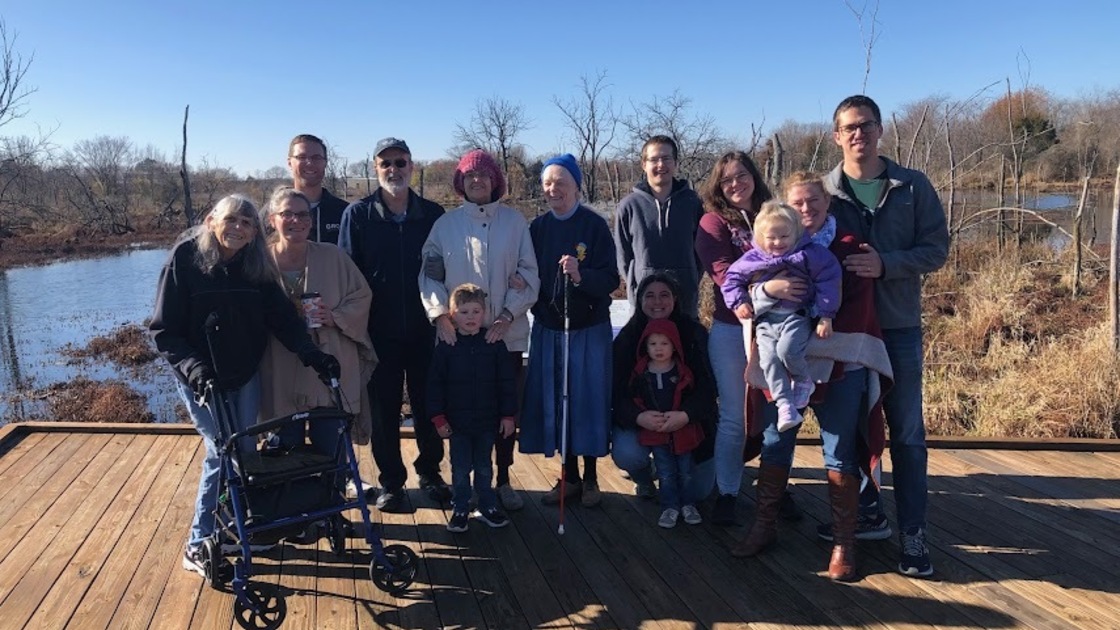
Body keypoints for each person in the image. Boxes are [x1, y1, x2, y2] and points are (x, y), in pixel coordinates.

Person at [149, 194, 339, 577]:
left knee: (247, 449)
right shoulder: (185, 261)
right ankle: (198, 542)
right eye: (231, 219)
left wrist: (311, 353)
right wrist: (195, 368)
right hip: (201, 377)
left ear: (256, 231)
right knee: (223, 451)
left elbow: (281, 318)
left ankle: (238, 524)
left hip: (244, 372)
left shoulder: (256, 265)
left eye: (247, 223)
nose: (238, 228)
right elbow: (164, 331)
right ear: (211, 220)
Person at [729, 171, 892, 582]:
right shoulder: (769, 241)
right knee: (775, 440)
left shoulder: (848, 248)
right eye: (797, 203)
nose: (806, 209)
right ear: (786, 205)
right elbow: (740, 289)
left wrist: (803, 338)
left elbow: (855, 310)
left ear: (827, 203)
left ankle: (844, 542)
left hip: (837, 364)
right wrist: (768, 293)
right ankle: (765, 525)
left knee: (838, 450)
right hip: (781, 364)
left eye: (813, 202)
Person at [822, 95, 949, 578]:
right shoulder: (825, 193)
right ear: (836, 135)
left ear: (880, 131)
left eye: (866, 125)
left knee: (908, 434)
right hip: (848, 333)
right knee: (854, 428)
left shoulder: (912, 187)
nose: (859, 134)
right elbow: (792, 241)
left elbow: (937, 249)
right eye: (849, 127)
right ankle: (868, 515)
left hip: (897, 328)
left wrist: (886, 265)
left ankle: (913, 533)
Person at [418, 148, 539, 511]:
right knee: (460, 409)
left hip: (504, 335)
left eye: (484, 175)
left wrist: (506, 316)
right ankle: (464, 483)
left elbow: (530, 274)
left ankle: (502, 479)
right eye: (470, 175)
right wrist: (441, 316)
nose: (477, 181)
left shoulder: (515, 223)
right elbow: (429, 275)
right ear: (460, 181)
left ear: (495, 181)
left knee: (502, 408)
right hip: (458, 336)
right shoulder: (445, 226)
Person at [339, 137, 449, 513]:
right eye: (385, 163)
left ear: (411, 167)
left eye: (400, 163)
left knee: (428, 404)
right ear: (375, 168)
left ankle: (431, 473)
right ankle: (391, 483)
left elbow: (449, 271)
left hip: (426, 330)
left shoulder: (434, 215)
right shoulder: (358, 215)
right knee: (384, 410)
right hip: (378, 332)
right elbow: (347, 277)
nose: (394, 170)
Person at [695, 151, 801, 526]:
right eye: (726, 180)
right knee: (734, 418)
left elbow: (804, 253)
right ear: (718, 187)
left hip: (785, 328)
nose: (735, 184)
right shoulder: (712, 223)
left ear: (754, 176)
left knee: (777, 416)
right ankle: (726, 491)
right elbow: (725, 276)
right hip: (732, 330)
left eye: (741, 175)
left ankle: (775, 489)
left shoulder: (777, 214)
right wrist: (772, 287)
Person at [520, 154, 619, 508]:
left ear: (576, 186)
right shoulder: (537, 228)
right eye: (548, 183)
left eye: (561, 182)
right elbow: (528, 272)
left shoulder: (593, 225)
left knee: (586, 399)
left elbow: (610, 279)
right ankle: (569, 476)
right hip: (550, 326)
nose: (553, 189)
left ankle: (591, 476)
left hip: (588, 328)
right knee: (557, 401)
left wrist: (581, 276)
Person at [257, 187, 376, 460]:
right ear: (273, 219)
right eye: (287, 214)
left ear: (311, 222)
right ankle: (291, 502)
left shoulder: (333, 256)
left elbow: (362, 296)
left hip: (328, 368)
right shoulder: (259, 262)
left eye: (302, 215)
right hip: (279, 367)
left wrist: (335, 317)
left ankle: (332, 498)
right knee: (284, 453)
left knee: (332, 452)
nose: (296, 221)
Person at [721, 201, 842, 432]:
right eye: (771, 238)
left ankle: (802, 379)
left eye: (784, 236)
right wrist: (739, 303)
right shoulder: (754, 259)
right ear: (759, 237)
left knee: (787, 350)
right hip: (766, 320)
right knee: (768, 361)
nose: (778, 243)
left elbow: (829, 280)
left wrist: (826, 315)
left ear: (796, 233)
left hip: (796, 315)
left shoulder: (809, 255)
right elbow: (732, 280)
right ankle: (784, 405)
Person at [611, 273, 716, 507]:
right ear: (639, 301)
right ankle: (645, 477)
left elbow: (709, 388)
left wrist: (686, 415)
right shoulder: (628, 338)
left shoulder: (694, 334)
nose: (657, 302)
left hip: (689, 422)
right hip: (644, 422)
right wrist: (638, 416)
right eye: (649, 296)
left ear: (676, 299)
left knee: (700, 492)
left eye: (664, 295)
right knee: (628, 453)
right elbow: (615, 393)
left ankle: (678, 469)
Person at [427, 284, 517, 532]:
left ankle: (487, 505)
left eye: (476, 311)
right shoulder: (446, 347)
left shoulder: (495, 344)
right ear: (452, 315)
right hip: (457, 425)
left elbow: (507, 384)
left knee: (485, 467)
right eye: (464, 312)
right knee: (460, 468)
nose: (470, 317)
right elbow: (434, 385)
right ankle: (460, 507)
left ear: (484, 313)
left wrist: (508, 415)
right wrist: (438, 418)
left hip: (488, 422)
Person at [626, 318, 714, 528]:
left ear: (674, 345)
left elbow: (698, 396)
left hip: (683, 432)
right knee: (665, 472)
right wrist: (642, 415)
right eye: (653, 344)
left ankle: (688, 504)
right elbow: (632, 397)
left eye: (664, 343)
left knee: (686, 472)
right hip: (656, 433)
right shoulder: (641, 373)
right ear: (645, 346)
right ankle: (669, 507)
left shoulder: (683, 372)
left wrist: (685, 415)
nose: (658, 349)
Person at [614, 135, 704, 318]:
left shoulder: (692, 203)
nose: (661, 165)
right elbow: (623, 256)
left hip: (685, 302)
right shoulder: (629, 206)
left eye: (666, 158)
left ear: (675, 163)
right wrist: (635, 284)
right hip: (644, 302)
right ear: (643, 164)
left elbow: (701, 252)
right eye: (654, 159)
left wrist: (690, 278)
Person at [287, 134, 349, 244]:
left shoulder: (345, 213)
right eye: (301, 157)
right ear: (289, 163)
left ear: (325, 163)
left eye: (316, 157)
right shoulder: (272, 213)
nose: (309, 163)